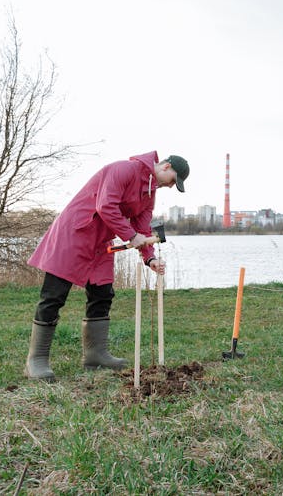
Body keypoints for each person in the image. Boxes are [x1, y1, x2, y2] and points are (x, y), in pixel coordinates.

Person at [24, 152, 189, 381]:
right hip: (75, 233)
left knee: (103, 294)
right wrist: (130, 236)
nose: (171, 186)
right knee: (54, 295)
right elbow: (105, 205)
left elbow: (142, 226)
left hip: (101, 244)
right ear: (166, 166)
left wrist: (149, 258)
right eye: (173, 180)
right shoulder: (124, 170)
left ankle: (95, 355)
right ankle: (37, 360)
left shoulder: (149, 193)